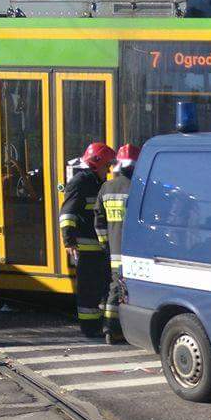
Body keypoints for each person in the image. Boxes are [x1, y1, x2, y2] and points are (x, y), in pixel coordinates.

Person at [60, 142, 115, 337]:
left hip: (99, 248)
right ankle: (90, 329)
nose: (108, 170)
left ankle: (100, 325)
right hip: (86, 248)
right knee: (88, 291)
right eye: (106, 165)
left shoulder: (98, 183)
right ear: (96, 163)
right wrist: (69, 241)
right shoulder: (80, 182)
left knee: (101, 288)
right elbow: (67, 213)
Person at [94, 143, 138, 344]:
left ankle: (110, 329)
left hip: (114, 249)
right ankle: (114, 330)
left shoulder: (106, 187)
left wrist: (105, 243)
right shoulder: (139, 188)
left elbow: (99, 220)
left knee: (115, 287)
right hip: (135, 250)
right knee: (130, 289)